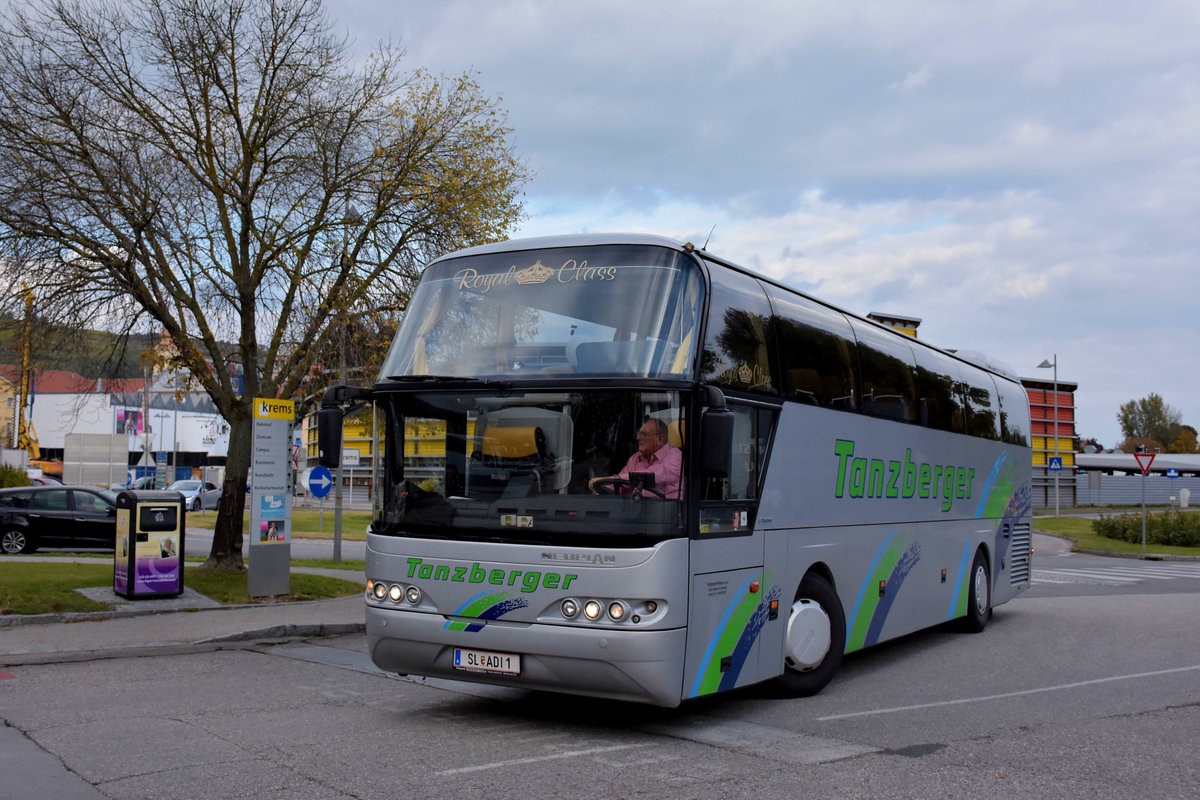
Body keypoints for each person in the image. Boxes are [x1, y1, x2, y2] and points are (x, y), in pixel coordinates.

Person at [589, 418, 682, 499]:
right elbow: (620, 484)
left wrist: (616, 478)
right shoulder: (635, 458)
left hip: (668, 514)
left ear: (659, 439)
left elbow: (654, 475)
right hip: (637, 512)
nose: (638, 438)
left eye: (644, 434)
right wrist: (601, 485)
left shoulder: (675, 455)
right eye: (639, 434)